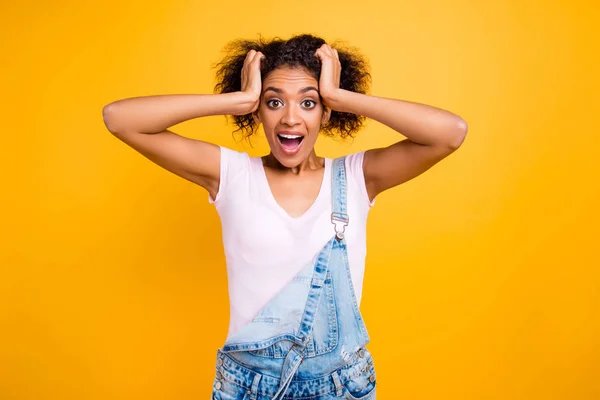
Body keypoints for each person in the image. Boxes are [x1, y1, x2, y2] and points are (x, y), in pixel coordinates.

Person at [102, 33, 467, 400]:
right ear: (257, 111)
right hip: (247, 387)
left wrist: (341, 96)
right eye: (274, 102)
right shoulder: (231, 174)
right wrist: (237, 99)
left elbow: (450, 133)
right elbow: (119, 119)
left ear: (326, 112)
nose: (290, 118)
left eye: (309, 103)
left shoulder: (358, 176)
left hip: (342, 387)